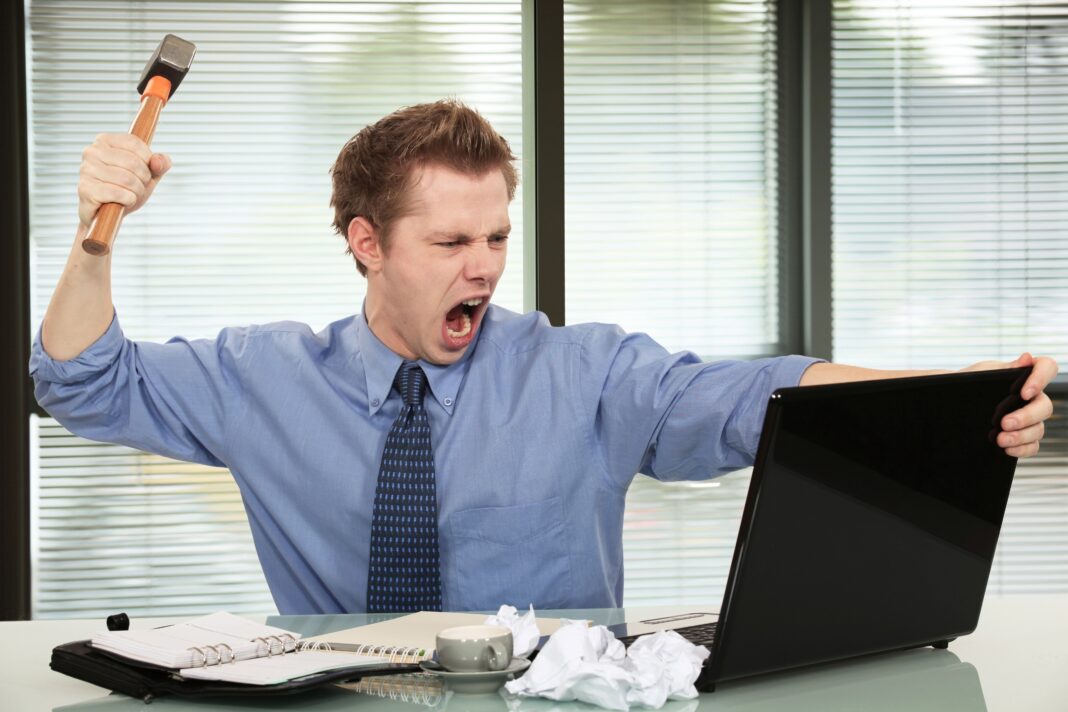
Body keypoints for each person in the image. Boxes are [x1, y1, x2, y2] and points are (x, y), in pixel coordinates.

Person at [30, 100, 1058, 614]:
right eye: (450, 242)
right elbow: (81, 379)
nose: (482, 267)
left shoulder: (585, 374)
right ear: (367, 244)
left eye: (496, 237)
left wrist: (953, 397)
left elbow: (763, 393)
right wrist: (94, 238)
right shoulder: (261, 379)